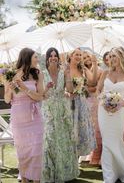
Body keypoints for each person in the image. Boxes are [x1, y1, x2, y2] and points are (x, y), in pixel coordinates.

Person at [97, 47, 124, 183]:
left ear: (121, 57)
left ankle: (122, 169)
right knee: (107, 141)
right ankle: (109, 177)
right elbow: (98, 91)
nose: (112, 59)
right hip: (103, 111)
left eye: (114, 56)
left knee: (115, 140)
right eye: (110, 56)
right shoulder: (105, 73)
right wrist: (104, 102)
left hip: (119, 112)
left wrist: (119, 104)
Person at [4, 48, 44, 183]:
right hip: (19, 118)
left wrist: (24, 88)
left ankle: (37, 180)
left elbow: (40, 97)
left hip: (34, 117)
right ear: (27, 58)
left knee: (37, 150)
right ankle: (25, 180)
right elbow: (8, 100)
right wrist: (9, 88)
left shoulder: (38, 74)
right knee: (23, 152)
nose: (37, 60)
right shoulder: (11, 75)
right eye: (35, 57)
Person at [41, 47, 78, 182]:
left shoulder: (63, 73)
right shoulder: (42, 74)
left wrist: (68, 75)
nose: (53, 57)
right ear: (47, 59)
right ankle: (50, 173)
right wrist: (47, 88)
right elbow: (41, 95)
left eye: (55, 55)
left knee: (63, 140)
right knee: (50, 139)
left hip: (62, 111)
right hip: (49, 110)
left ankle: (65, 172)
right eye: (50, 56)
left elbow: (69, 90)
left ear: (58, 58)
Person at [68, 48, 96, 157]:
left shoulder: (82, 69)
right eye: (76, 54)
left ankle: (78, 154)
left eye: (80, 55)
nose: (79, 57)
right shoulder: (65, 69)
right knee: (72, 127)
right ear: (70, 55)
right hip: (70, 102)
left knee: (81, 128)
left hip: (82, 102)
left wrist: (93, 63)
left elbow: (93, 81)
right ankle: (71, 154)